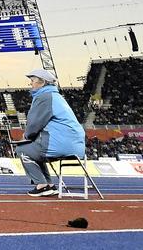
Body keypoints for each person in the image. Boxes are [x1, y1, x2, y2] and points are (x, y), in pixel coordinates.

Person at [15, 68, 86, 197]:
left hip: (60, 144)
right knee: (35, 151)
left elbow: (34, 124)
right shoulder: (56, 96)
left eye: (32, 81)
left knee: (22, 149)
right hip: (77, 146)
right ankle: (49, 185)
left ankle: (41, 185)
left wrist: (25, 136)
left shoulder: (44, 97)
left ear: (42, 83)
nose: (30, 84)